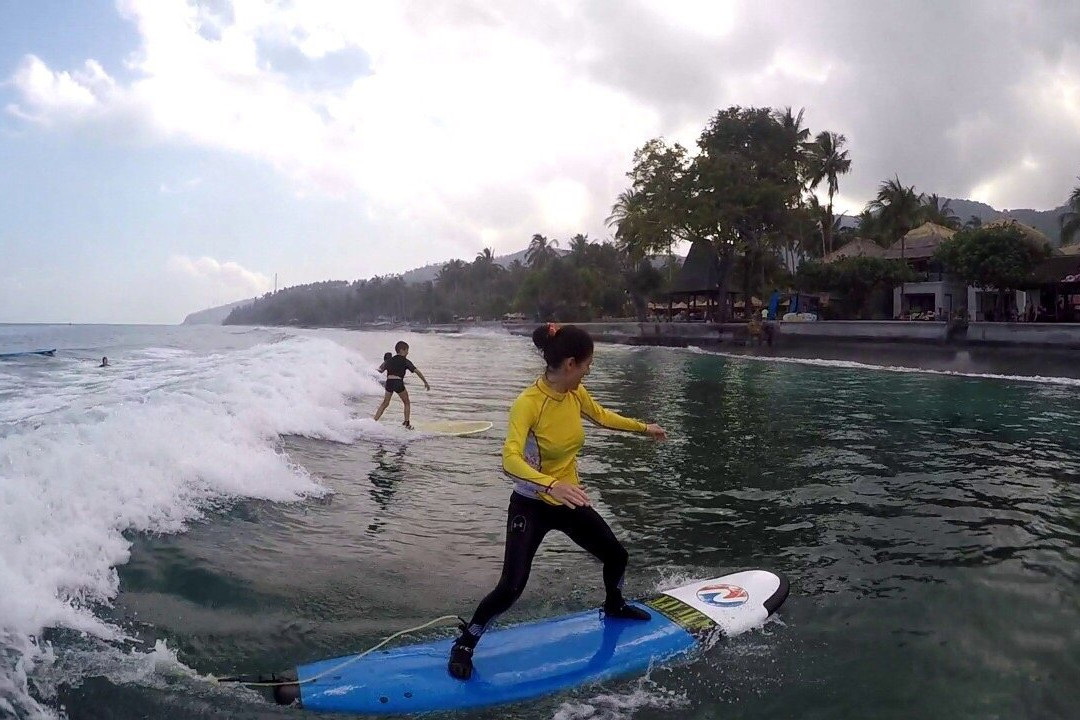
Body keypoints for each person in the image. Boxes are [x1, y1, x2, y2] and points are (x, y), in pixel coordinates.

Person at [447, 323, 667, 681]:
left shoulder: (575, 394)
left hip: (568, 499)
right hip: (531, 504)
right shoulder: (528, 404)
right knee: (511, 586)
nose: (589, 369)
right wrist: (551, 484)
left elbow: (602, 416)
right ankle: (467, 642)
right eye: (587, 364)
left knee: (616, 555)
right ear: (570, 363)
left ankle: (614, 604)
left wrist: (645, 428)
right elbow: (510, 459)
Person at [374, 341, 429, 429]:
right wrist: (425, 382)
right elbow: (417, 371)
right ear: (402, 350)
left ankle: (374, 421)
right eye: (407, 350)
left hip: (389, 382)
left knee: (385, 403)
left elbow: (378, 371)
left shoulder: (389, 361)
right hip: (398, 382)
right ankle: (406, 423)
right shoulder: (405, 361)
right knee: (406, 402)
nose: (408, 352)